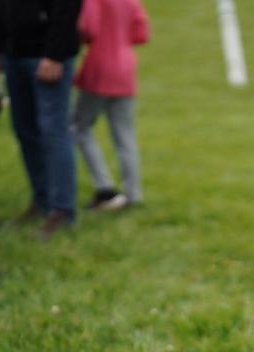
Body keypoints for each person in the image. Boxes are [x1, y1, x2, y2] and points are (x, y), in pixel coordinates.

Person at [0, 0, 82, 238]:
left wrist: (55, 54)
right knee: (24, 129)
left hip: (46, 55)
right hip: (12, 53)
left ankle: (62, 210)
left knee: (52, 129)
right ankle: (42, 200)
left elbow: (68, 7)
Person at [71, 0, 150, 210]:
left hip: (99, 66)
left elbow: (87, 28)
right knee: (125, 135)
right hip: (125, 68)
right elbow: (141, 34)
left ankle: (104, 187)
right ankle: (133, 193)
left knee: (79, 126)